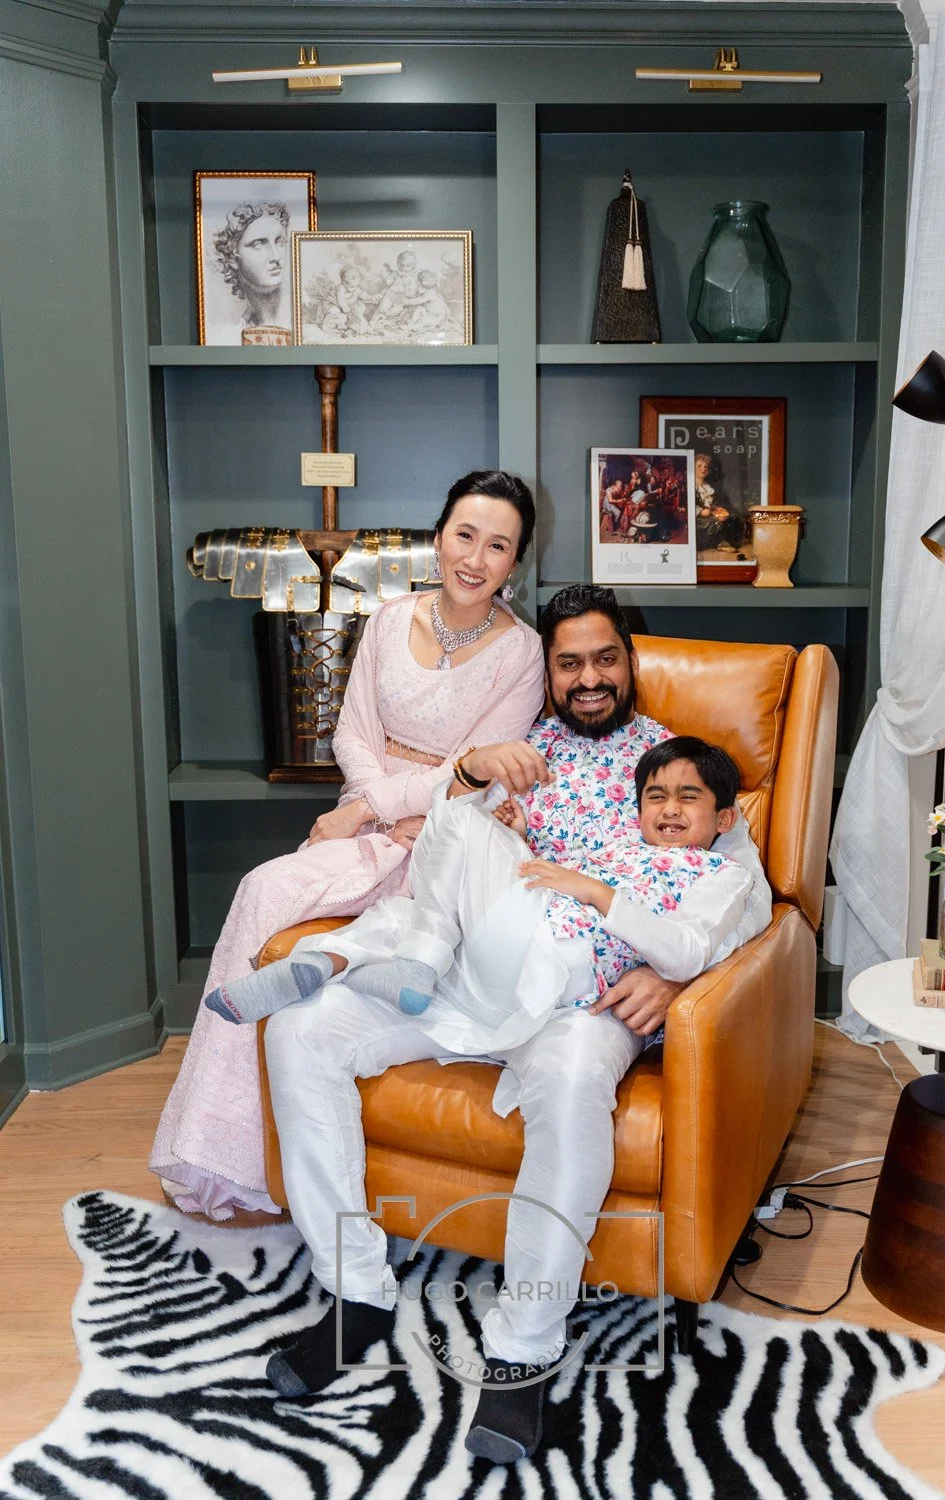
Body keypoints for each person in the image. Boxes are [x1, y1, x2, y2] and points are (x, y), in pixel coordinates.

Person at [260, 584, 772, 1463]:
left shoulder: (680, 767)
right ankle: (357, 1292)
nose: (588, 678)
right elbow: (449, 856)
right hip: (473, 976)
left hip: (589, 996)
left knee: (572, 1084)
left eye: (604, 658)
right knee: (298, 1032)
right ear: (550, 672)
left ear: (628, 663)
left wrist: (668, 973)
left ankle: (525, 1348)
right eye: (568, 662)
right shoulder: (513, 753)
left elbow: (749, 895)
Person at [150, 471, 545, 1221]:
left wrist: (403, 806)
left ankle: (345, 985)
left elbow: (479, 769)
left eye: (498, 546)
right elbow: (351, 733)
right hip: (368, 822)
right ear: (438, 536)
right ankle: (224, 1154)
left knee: (384, 928)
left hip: (446, 839)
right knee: (264, 889)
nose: (475, 557)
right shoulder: (391, 619)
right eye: (465, 535)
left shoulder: (521, 653)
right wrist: (369, 806)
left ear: (514, 564)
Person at [203, 737, 752, 1061]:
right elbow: (556, 882)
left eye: (689, 798)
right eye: (656, 797)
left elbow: (683, 952)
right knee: (410, 902)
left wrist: (597, 892)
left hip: (552, 968)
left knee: (457, 822)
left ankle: (406, 964)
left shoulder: (720, 872)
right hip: (515, 945)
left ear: (724, 818)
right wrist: (517, 840)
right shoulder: (618, 847)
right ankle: (326, 962)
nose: (670, 809)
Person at [214, 202, 292, 333]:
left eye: (279, 242)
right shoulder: (238, 328)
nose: (276, 256)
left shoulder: (303, 318)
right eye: (258, 245)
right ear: (232, 256)